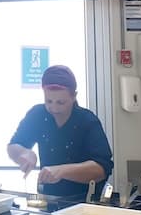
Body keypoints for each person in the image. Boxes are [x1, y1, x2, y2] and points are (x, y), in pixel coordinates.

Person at [7, 64, 113, 202]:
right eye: (49, 101)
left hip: (84, 201)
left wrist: (62, 171)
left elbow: (102, 169)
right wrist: (23, 153)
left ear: (74, 96)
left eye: (61, 102)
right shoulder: (37, 114)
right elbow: (14, 145)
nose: (54, 108)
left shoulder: (87, 120)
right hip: (48, 198)